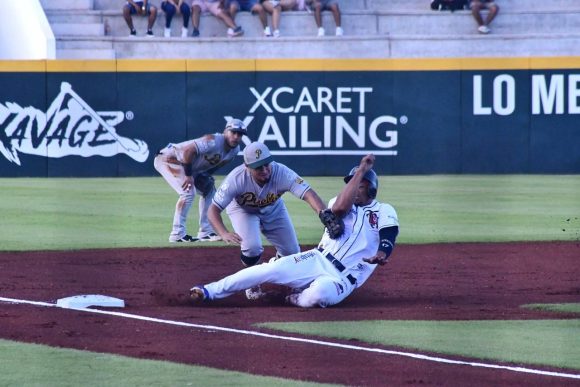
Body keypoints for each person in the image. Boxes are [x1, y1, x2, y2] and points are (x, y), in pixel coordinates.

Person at [190, 154, 400, 308]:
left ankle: (293, 297)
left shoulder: (384, 210)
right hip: (316, 259)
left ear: (372, 189)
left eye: (359, 186)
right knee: (266, 271)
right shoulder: (340, 203)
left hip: (343, 279)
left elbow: (388, 235)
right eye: (350, 185)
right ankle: (209, 290)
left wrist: (382, 254)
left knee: (319, 295)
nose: (352, 189)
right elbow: (339, 210)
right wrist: (360, 171)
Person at [206, 141, 327, 299]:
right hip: (243, 211)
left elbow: (308, 193)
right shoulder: (235, 179)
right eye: (258, 167)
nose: (264, 170)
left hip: (274, 209)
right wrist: (223, 233)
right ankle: (252, 283)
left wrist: (323, 213)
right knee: (251, 249)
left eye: (266, 164)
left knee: (292, 253)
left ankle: (274, 267)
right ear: (247, 166)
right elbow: (213, 210)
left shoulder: (281, 172)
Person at [153, 119, 247, 243]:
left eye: (239, 134)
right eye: (233, 132)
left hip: (188, 166)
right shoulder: (213, 141)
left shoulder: (234, 150)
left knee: (209, 189)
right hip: (170, 158)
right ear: (225, 131)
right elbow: (187, 151)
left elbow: (216, 165)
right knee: (188, 192)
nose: (236, 136)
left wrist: (205, 176)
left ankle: (205, 232)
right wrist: (188, 175)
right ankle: (177, 234)